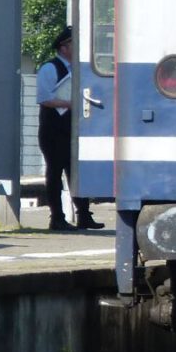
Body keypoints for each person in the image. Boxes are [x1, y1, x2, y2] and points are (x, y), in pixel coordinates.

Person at [36, 27, 100, 232]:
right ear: (64, 47)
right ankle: (57, 217)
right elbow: (44, 99)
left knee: (77, 173)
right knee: (55, 173)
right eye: (73, 44)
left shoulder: (80, 69)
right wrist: (71, 103)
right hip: (54, 129)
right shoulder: (50, 68)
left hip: (74, 128)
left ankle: (84, 215)